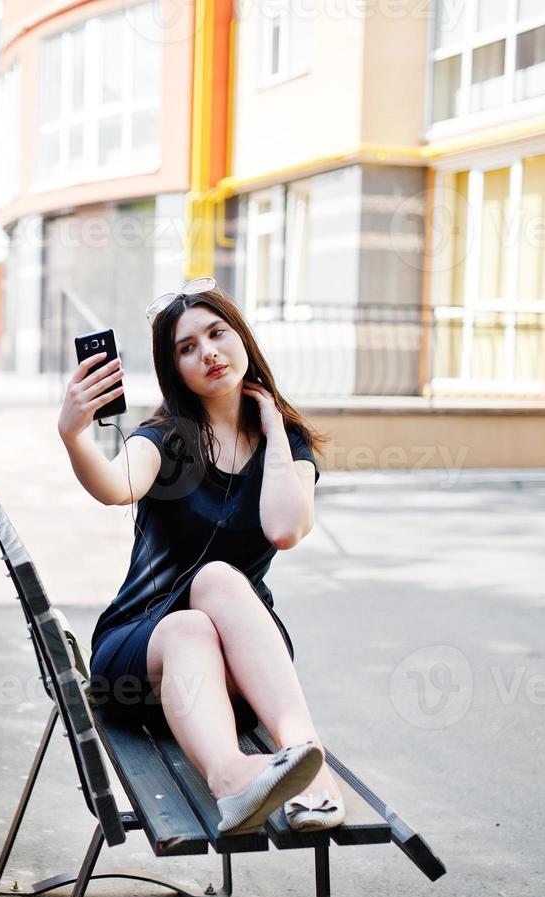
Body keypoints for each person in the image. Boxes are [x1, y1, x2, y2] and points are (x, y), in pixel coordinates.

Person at [56, 279, 343, 834]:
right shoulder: (166, 437)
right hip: (141, 662)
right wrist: (74, 438)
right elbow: (118, 485)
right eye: (187, 348)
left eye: (217, 334)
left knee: (217, 585)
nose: (208, 352)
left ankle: (305, 758)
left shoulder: (287, 443)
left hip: (241, 665)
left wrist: (276, 429)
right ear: (175, 370)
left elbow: (285, 529)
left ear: (243, 340)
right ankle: (235, 779)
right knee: (191, 620)